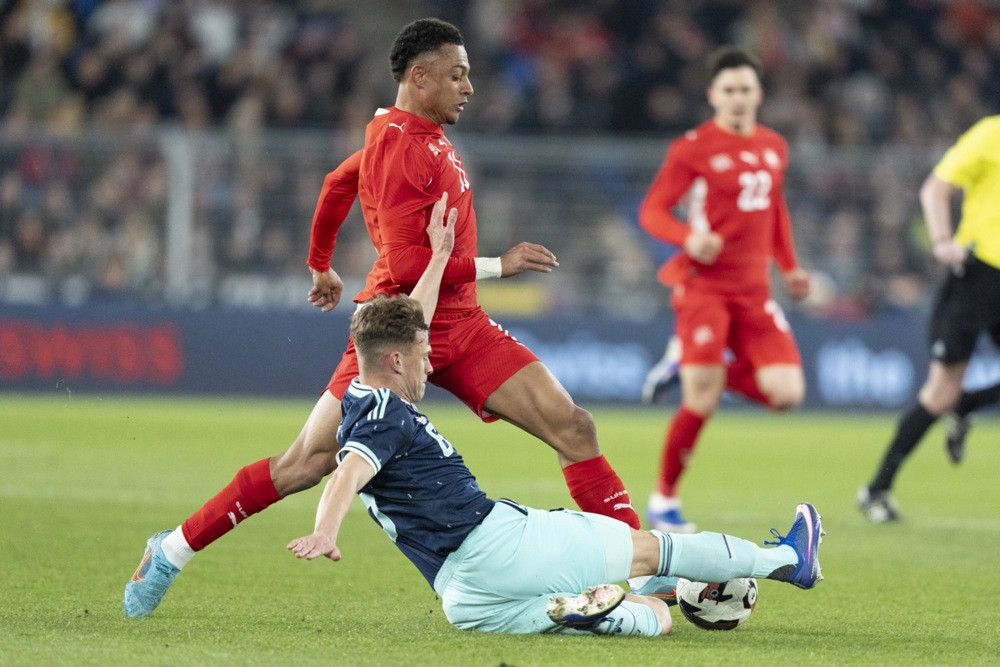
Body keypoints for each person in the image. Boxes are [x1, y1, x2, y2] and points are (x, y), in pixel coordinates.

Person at [124, 17, 639, 618]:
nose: (469, 87)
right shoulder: (398, 145)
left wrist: (320, 264)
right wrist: (501, 264)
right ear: (419, 78)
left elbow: (336, 184)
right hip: (395, 330)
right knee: (305, 464)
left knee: (573, 427)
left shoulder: (411, 135)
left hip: (461, 324)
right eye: (457, 75)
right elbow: (408, 261)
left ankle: (640, 565)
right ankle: (171, 550)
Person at [286, 212, 825, 636]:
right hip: (502, 547)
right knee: (654, 552)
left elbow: (414, 323)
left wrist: (442, 257)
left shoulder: (358, 396)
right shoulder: (384, 415)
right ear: (395, 360)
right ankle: (786, 559)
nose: (430, 364)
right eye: (423, 356)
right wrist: (325, 531)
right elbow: (348, 472)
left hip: (462, 597)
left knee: (653, 618)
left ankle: (573, 610)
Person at [637, 47, 811, 533]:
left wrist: (790, 267)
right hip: (704, 288)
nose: (737, 98)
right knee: (702, 400)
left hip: (754, 292)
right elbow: (652, 210)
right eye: (728, 89)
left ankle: (690, 366)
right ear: (713, 95)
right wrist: (687, 237)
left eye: (745, 89)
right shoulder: (692, 148)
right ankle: (664, 500)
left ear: (759, 94)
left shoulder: (774, 146)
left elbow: (774, 210)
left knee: (787, 395)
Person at [858, 115, 1000, 523]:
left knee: (953, 396)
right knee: (941, 391)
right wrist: (941, 241)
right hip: (978, 275)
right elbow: (935, 188)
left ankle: (968, 404)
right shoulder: (990, 134)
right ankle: (876, 490)